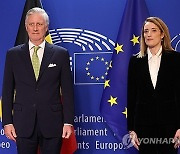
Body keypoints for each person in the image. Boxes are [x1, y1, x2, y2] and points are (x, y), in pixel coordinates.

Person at [2, 7, 74, 154]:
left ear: (46, 27)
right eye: (31, 24)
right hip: (23, 124)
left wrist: (68, 122)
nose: (35, 28)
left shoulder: (60, 54)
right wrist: (7, 122)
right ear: (26, 27)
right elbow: (7, 90)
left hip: (52, 124)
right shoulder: (13, 55)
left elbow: (68, 91)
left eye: (39, 24)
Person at [127, 17, 180, 154]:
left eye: (153, 30)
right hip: (143, 126)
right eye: (146, 31)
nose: (148, 34)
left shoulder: (176, 60)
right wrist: (131, 130)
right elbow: (131, 96)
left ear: (162, 34)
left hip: (170, 126)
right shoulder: (135, 62)